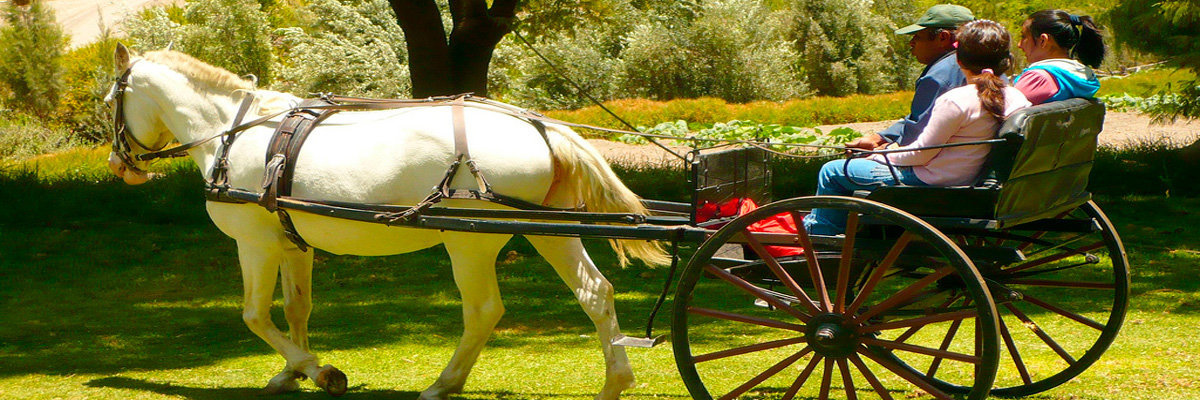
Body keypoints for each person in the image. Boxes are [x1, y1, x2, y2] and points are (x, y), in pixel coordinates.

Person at [804, 20, 1032, 235]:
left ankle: (822, 240)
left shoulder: (957, 100)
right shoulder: (1016, 97)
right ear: (1006, 60)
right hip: (972, 180)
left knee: (832, 171)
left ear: (958, 59)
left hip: (935, 182)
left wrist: (879, 154)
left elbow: (920, 155)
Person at [846, 4, 975, 150]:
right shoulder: (980, 65)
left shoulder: (938, 77)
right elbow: (918, 120)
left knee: (832, 170)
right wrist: (879, 138)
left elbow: (917, 138)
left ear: (943, 37)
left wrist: (881, 150)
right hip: (967, 159)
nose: (911, 42)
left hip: (940, 166)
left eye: (918, 37)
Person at [1014, 10, 1106, 104]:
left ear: (1043, 41)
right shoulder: (1086, 78)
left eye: (1024, 36)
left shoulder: (1038, 79)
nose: (1019, 45)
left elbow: (1004, 112)